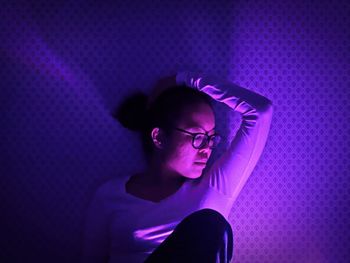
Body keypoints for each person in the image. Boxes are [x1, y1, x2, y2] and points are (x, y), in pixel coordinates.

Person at [81, 72, 274, 262]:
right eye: (197, 136)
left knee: (209, 223)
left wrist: (185, 78)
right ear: (159, 137)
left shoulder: (212, 191)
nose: (207, 149)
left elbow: (260, 111)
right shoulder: (109, 195)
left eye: (211, 137)